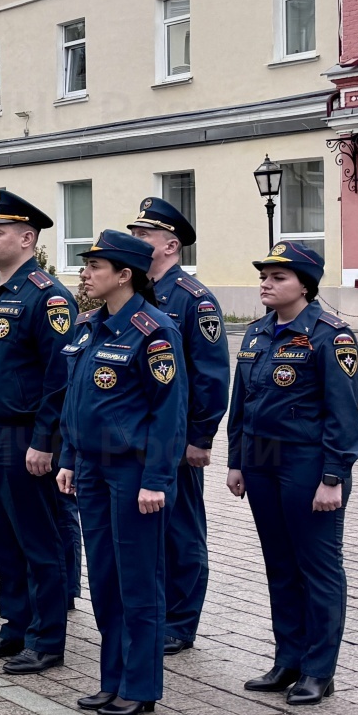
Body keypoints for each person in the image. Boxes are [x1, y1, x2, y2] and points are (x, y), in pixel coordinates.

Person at [56, 230, 188, 715]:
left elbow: (169, 412)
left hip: (133, 472)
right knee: (107, 581)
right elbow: (77, 400)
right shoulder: (91, 326)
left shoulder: (154, 331)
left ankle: (140, 684)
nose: (85, 275)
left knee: (138, 581)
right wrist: (69, 457)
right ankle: (111, 679)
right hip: (91, 467)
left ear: (124, 275)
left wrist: (157, 479)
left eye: (94, 267)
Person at [227, 242, 358, 707]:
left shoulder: (331, 335)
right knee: (280, 565)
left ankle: (319, 671)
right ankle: (288, 659)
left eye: (277, 277)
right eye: (264, 275)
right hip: (262, 462)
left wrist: (333, 476)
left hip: (307, 462)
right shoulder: (257, 332)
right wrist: (237, 460)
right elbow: (240, 402)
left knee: (318, 568)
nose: (265, 283)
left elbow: (343, 416)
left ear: (304, 285)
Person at [0, 191, 76, 675]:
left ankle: (46, 638)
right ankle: (15, 625)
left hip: (24, 436)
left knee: (37, 540)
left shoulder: (47, 296)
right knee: (2, 538)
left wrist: (45, 441)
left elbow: (58, 378)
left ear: (27, 239)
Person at [127, 196, 231, 654]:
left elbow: (210, 375)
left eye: (143, 236)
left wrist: (200, 436)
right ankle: (155, 611)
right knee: (148, 529)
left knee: (181, 529)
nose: (135, 242)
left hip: (176, 439)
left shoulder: (193, 300)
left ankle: (181, 622)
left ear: (170, 245)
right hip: (138, 437)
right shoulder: (139, 294)